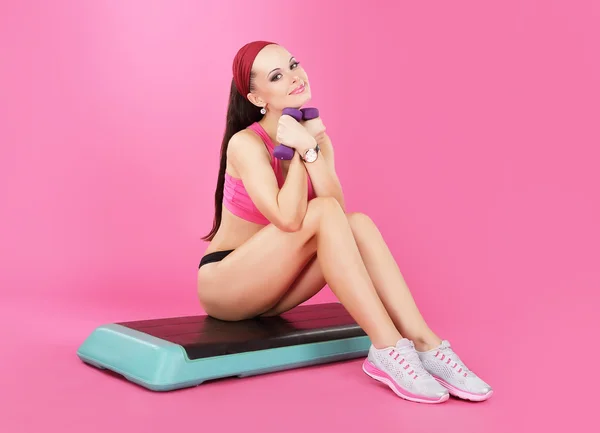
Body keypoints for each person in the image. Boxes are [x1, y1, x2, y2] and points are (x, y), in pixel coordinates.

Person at [197, 40, 493, 404]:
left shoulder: (315, 137)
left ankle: (424, 342)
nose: (294, 77)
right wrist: (300, 152)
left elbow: (335, 210)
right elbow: (290, 219)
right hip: (225, 282)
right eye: (277, 76)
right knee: (321, 213)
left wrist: (309, 146)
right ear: (258, 98)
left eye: (293, 65)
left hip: (271, 289)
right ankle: (386, 348)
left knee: (359, 223)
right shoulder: (246, 144)